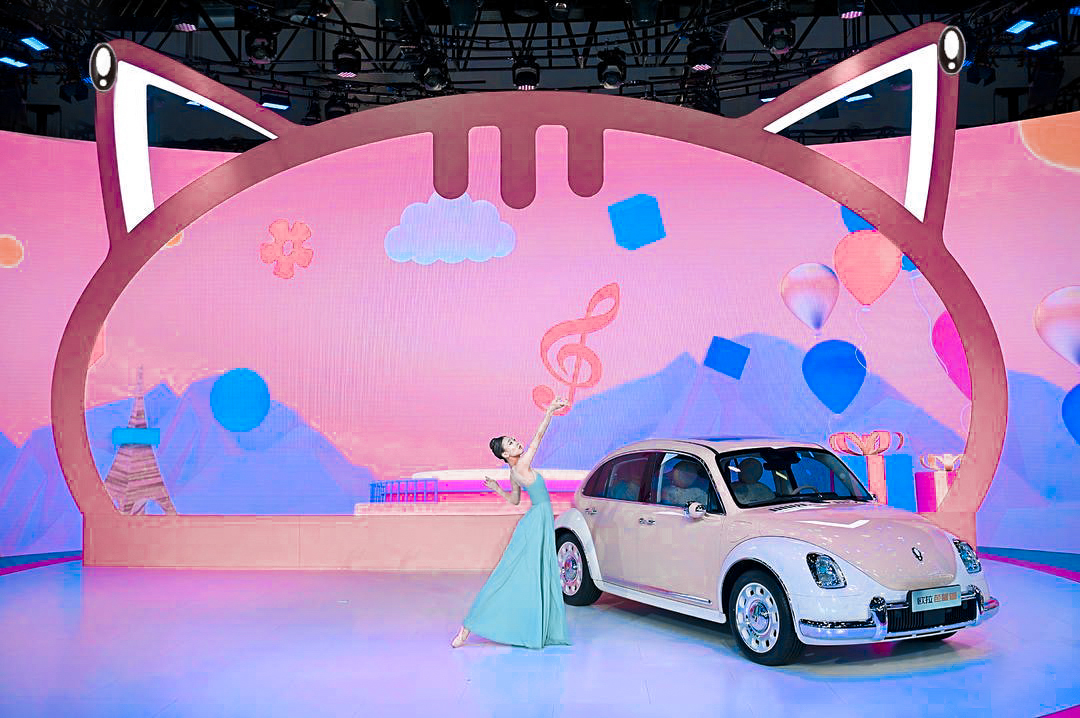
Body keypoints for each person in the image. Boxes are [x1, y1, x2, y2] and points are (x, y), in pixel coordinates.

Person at [450, 397, 572, 649]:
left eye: (514, 440)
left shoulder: (513, 473)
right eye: (511, 444)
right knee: (512, 574)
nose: (517, 443)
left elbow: (515, 500)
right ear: (506, 455)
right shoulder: (521, 465)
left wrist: (496, 488)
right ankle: (469, 625)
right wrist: (549, 411)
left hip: (536, 521)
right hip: (537, 523)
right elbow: (538, 438)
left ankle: (504, 625)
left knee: (527, 574)